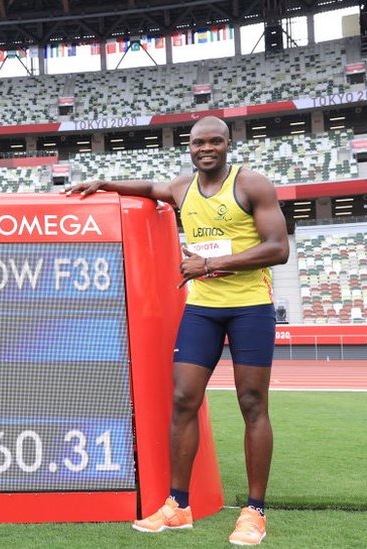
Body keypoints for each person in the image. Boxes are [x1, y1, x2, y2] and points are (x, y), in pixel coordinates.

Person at [65, 116, 289, 546]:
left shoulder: (252, 184)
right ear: (189, 148)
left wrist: (208, 265)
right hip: (202, 309)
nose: (206, 148)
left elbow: (278, 248)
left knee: (252, 403)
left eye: (215, 141)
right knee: (184, 399)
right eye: (198, 142)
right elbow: (151, 190)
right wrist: (105, 183)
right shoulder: (182, 188)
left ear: (227, 144)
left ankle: (255, 511)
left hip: (250, 308)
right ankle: (177, 505)